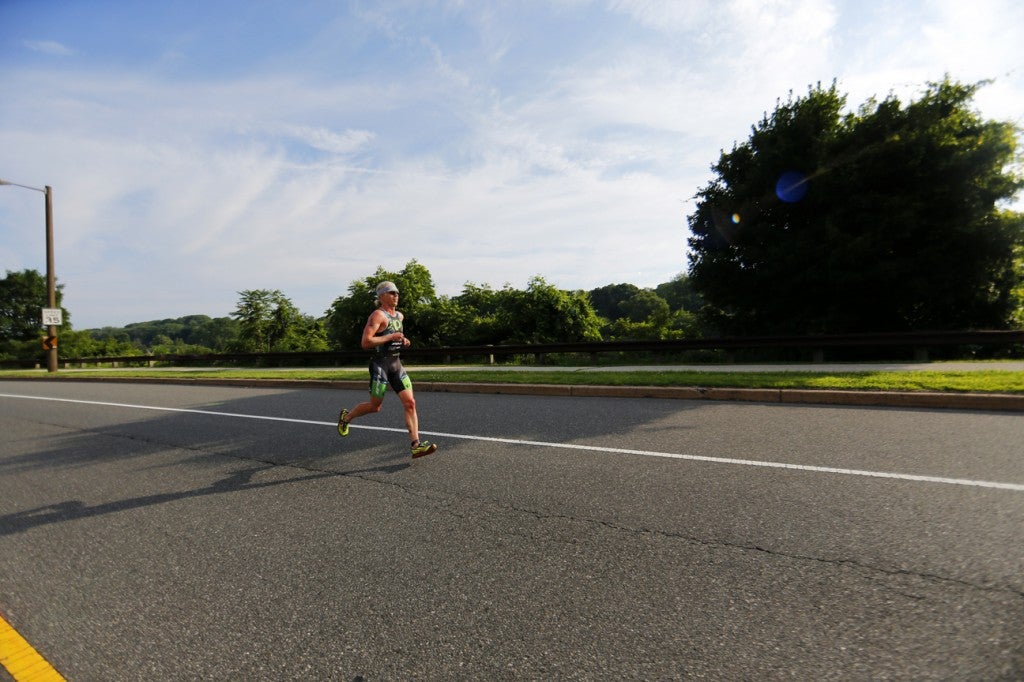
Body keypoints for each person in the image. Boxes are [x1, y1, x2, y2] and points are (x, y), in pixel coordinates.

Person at [337, 281, 438, 458]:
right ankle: (346, 418)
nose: (396, 296)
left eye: (397, 293)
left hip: (396, 364)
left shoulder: (399, 316)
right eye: (391, 293)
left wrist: (403, 340)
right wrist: (391, 336)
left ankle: (416, 444)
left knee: (410, 403)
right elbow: (366, 342)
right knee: (375, 406)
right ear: (382, 296)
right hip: (380, 365)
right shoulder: (377, 315)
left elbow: (395, 335)